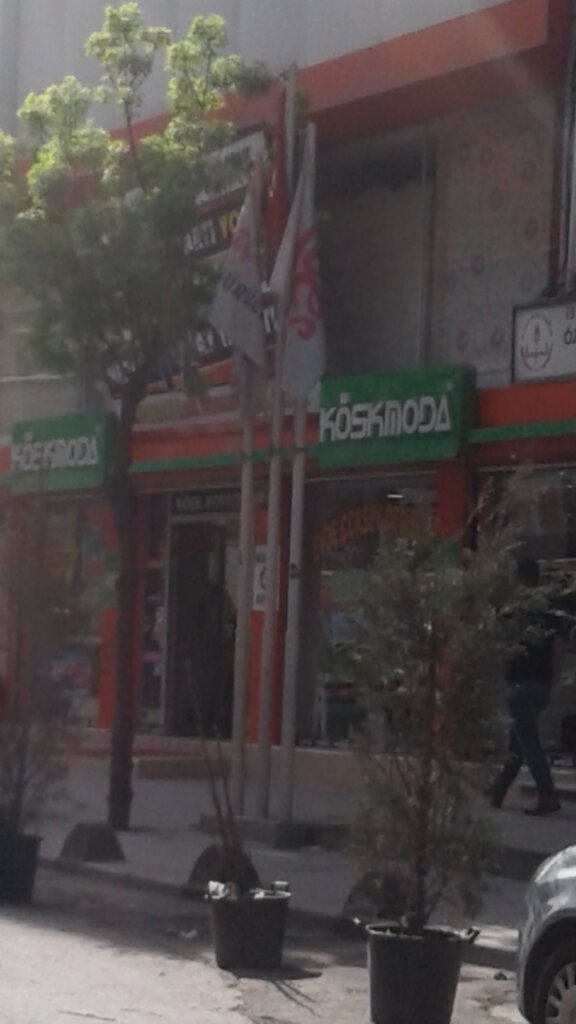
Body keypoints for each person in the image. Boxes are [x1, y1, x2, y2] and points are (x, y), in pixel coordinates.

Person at [489, 556, 562, 816]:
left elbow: (497, 640)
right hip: (540, 684)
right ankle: (498, 790)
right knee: (518, 741)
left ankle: (547, 794)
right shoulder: (548, 610)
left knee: (528, 742)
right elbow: (557, 650)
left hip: (520, 684)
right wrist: (550, 684)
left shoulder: (513, 610)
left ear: (518, 577)